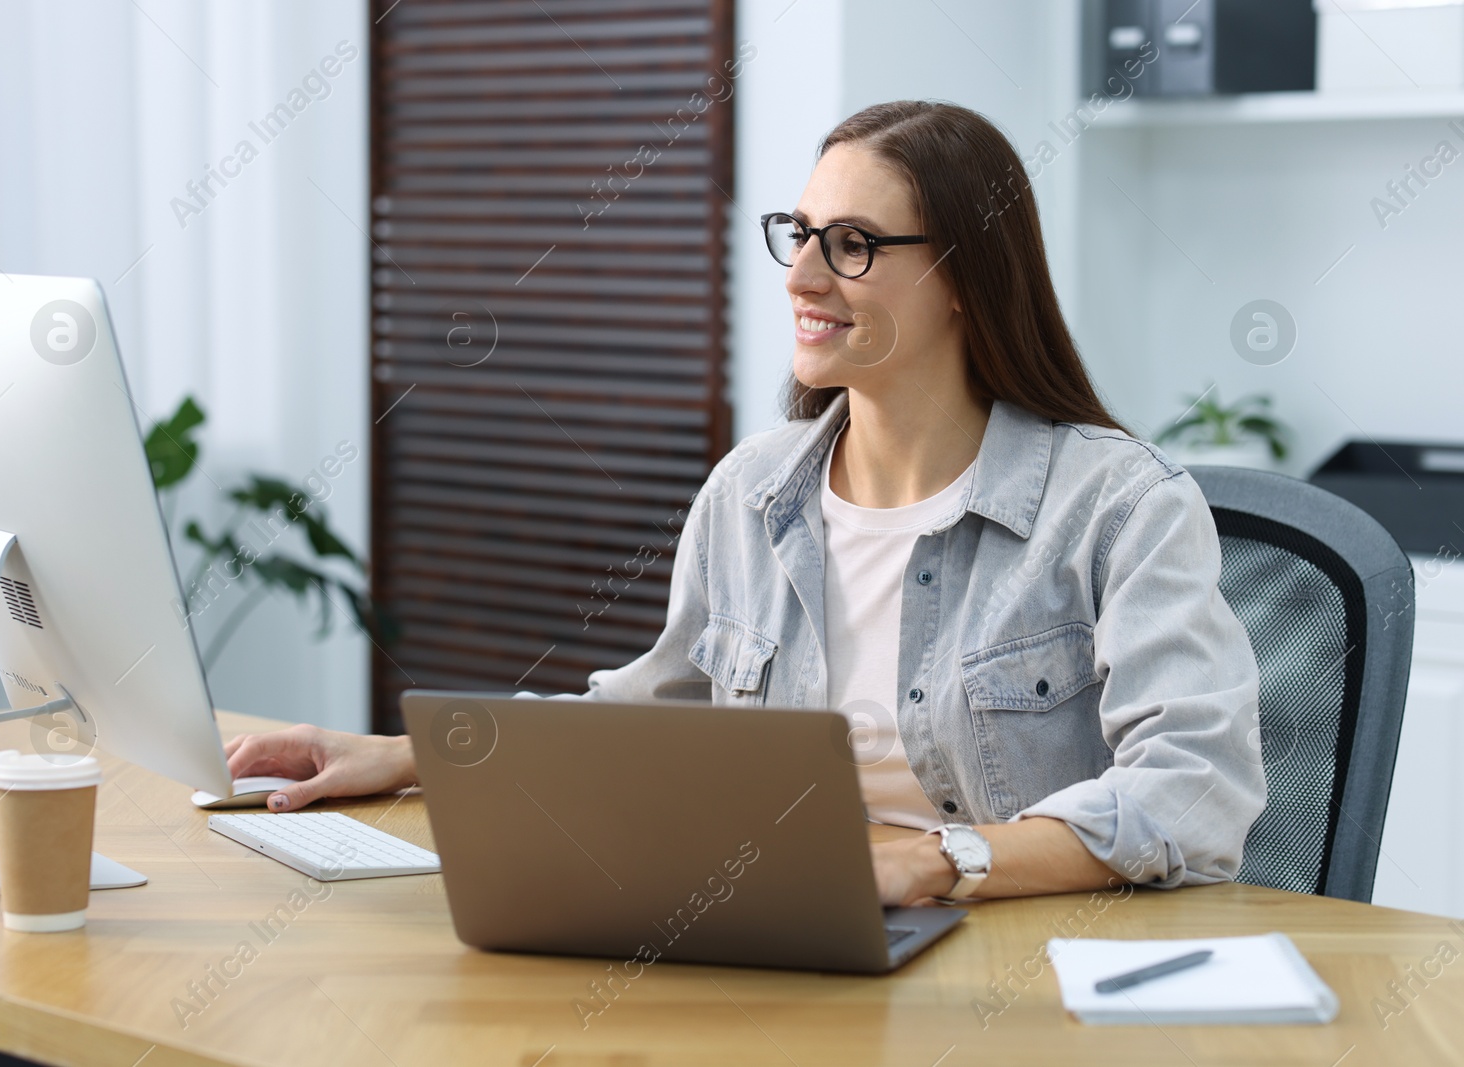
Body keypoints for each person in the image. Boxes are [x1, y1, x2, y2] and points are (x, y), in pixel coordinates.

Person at [228, 100, 1266, 907]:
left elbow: (1195, 791)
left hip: (1018, 965)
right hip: (788, 933)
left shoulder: (1118, 507)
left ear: (963, 280)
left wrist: (932, 862)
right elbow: (650, 719)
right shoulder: (752, 491)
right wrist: (406, 756)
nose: (801, 275)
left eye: (852, 243)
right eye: (800, 231)